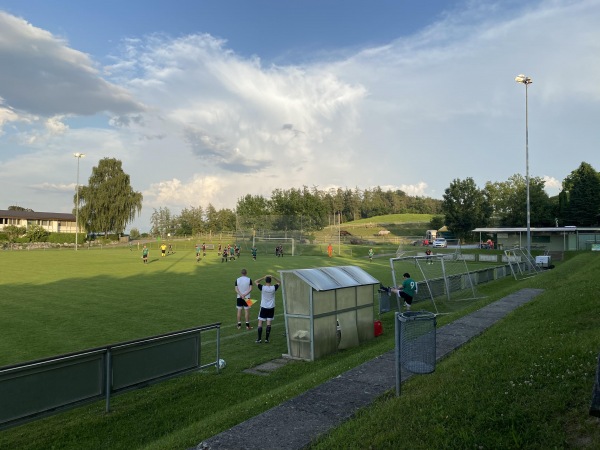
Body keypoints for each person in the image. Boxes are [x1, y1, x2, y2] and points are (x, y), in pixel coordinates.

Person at [254, 274, 280, 343]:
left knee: (260, 323)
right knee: (269, 323)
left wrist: (263, 277)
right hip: (271, 307)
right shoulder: (273, 288)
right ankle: (267, 339)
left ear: (265, 281)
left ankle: (259, 339)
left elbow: (256, 281)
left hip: (263, 307)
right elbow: (279, 282)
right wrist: (274, 277)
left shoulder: (263, 287)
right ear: (271, 281)